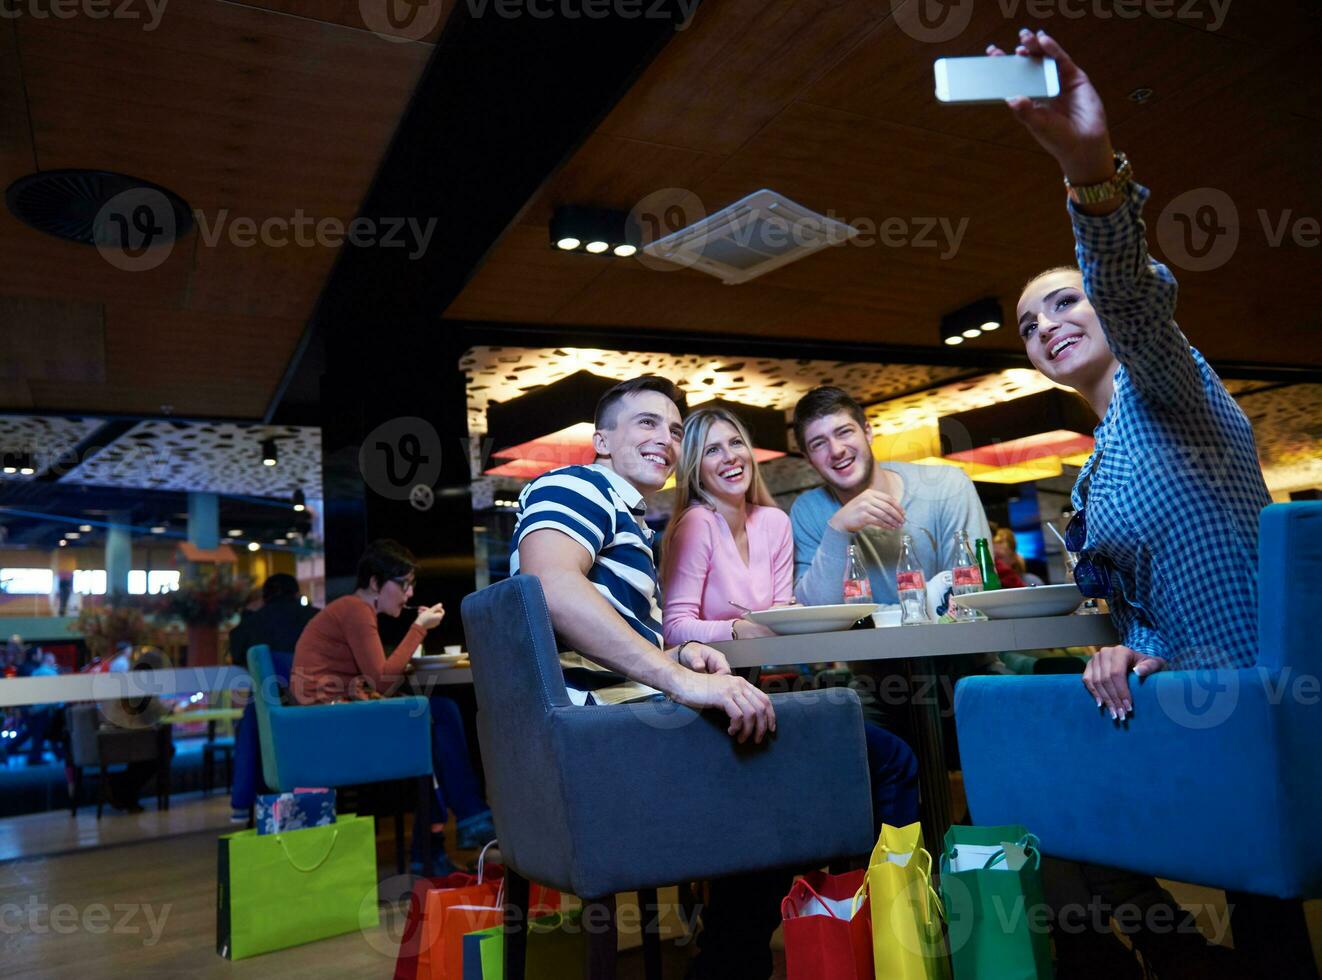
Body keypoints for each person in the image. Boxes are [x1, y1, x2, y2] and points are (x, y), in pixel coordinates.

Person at [997, 28, 1273, 979]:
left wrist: (1088, 170)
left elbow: (1132, 292)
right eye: (1031, 326)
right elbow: (1139, 602)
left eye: (1065, 304)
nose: (1048, 327)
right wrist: (1128, 641)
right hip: (1179, 695)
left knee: (1047, 792)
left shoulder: (1169, 386)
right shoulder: (1098, 461)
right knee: (1037, 791)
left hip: (1254, 701)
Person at [512, 377, 781, 980]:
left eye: (674, 428)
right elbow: (550, 588)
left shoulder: (630, 522)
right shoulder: (578, 484)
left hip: (609, 738)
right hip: (601, 752)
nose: (666, 438)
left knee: (799, 747)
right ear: (600, 440)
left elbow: (612, 634)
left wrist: (683, 658)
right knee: (848, 756)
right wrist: (681, 682)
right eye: (646, 423)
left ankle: (728, 957)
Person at [660, 405, 919, 834]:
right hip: (711, 704)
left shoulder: (773, 522)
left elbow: (782, 610)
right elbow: (674, 628)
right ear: (695, 470)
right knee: (889, 759)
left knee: (879, 762)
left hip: (768, 696)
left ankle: (860, 890)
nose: (730, 457)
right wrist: (738, 628)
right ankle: (872, 891)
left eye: (736, 443)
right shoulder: (696, 524)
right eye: (712, 451)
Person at [291, 540, 494, 869]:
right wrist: (418, 629)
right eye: (404, 584)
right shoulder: (356, 610)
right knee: (438, 714)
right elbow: (383, 681)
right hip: (328, 730)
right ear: (374, 583)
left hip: (325, 722)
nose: (409, 594)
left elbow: (368, 679)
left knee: (432, 724)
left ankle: (438, 844)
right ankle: (463, 824)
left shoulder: (350, 610)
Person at [790, 385, 992, 606]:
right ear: (808, 458)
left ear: (868, 432)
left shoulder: (947, 486)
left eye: (844, 432)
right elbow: (813, 610)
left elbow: (971, 595)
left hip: (947, 639)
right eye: (819, 444)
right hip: (859, 642)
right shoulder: (807, 510)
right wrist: (837, 529)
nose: (836, 450)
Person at [227, 573, 320, 823]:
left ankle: (260, 819)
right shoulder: (314, 618)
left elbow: (236, 652)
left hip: (264, 716)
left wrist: (248, 613)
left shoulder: (253, 624)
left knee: (256, 747)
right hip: (308, 714)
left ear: (265, 597)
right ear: (296, 594)